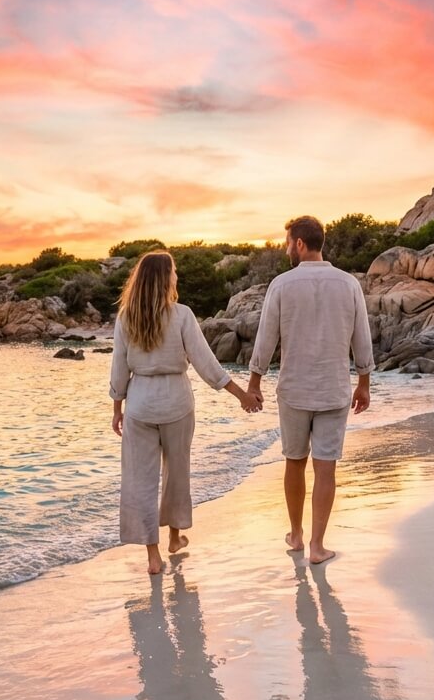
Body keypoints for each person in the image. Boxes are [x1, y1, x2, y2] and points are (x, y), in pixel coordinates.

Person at [110, 251, 262, 574]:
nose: (176, 276)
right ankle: (174, 537)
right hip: (176, 401)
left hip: (140, 403)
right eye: (174, 272)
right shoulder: (181, 315)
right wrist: (241, 395)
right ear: (166, 278)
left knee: (140, 480)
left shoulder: (126, 318)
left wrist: (117, 408)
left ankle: (153, 556)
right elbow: (207, 364)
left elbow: (119, 370)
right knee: (177, 473)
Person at [248, 216, 374, 564]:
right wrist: (364, 383)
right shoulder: (348, 284)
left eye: (288, 242)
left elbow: (266, 337)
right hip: (334, 389)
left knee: (294, 461)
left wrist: (254, 381)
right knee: (325, 467)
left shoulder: (281, 285)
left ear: (300, 243)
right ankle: (318, 546)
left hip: (294, 390)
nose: (286, 249)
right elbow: (362, 337)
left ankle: (296, 535)